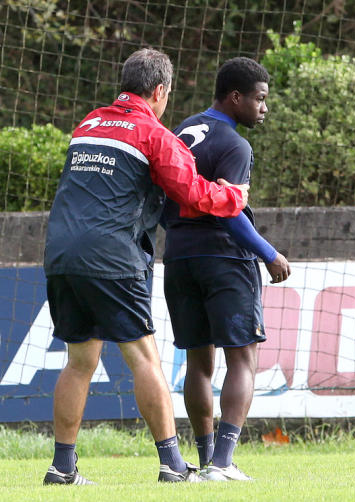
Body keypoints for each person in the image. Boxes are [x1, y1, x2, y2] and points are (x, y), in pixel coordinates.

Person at [42, 48, 250, 485]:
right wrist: (235, 196)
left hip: (61, 254)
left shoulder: (90, 123)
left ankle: (62, 467)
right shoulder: (152, 134)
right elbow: (193, 192)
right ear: (159, 91)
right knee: (144, 358)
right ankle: (172, 463)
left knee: (78, 361)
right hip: (112, 257)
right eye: (167, 95)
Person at [162, 56, 290, 482]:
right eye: (259, 99)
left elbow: (163, 204)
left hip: (178, 258)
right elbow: (230, 213)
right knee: (243, 359)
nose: (264, 108)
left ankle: (203, 460)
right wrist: (269, 253)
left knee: (198, 361)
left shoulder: (180, 131)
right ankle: (223, 462)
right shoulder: (235, 145)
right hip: (224, 259)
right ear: (236, 97)